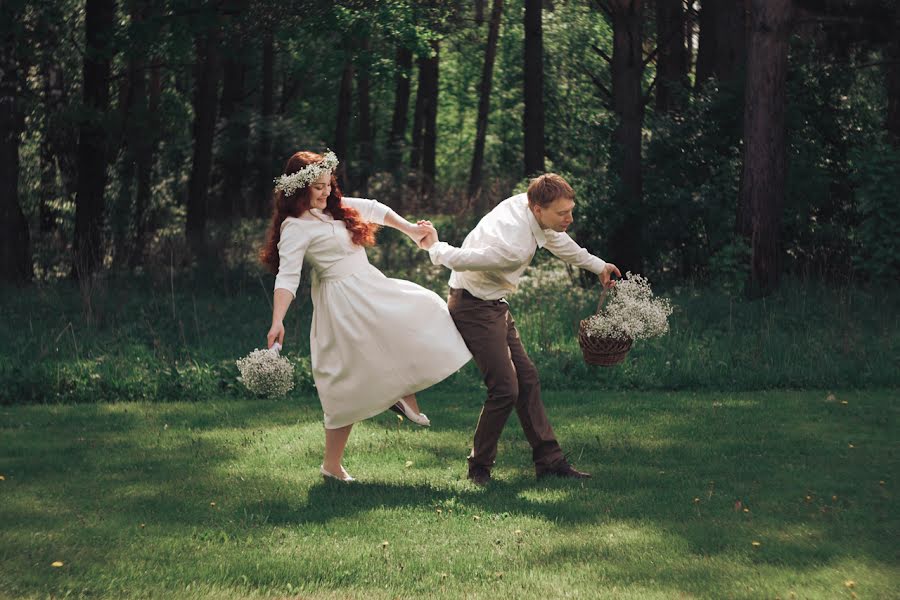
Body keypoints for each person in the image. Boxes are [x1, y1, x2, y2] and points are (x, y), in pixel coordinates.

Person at [261, 150, 471, 482]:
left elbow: (374, 208)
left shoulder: (335, 210)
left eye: (328, 185)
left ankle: (401, 391)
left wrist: (411, 230)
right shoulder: (295, 227)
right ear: (297, 189)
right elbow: (288, 277)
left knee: (424, 308)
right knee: (344, 381)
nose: (325, 192)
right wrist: (277, 320)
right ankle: (332, 465)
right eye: (317, 187)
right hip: (341, 302)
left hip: (369, 285)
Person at [418, 174, 621, 485]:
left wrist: (597, 265)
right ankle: (479, 468)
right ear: (538, 209)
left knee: (526, 379)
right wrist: (434, 246)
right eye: (562, 213)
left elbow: (556, 239)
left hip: (493, 304)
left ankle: (550, 462)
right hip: (473, 307)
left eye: (571, 210)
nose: (570, 218)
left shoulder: (527, 206)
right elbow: (460, 259)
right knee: (505, 388)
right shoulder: (513, 244)